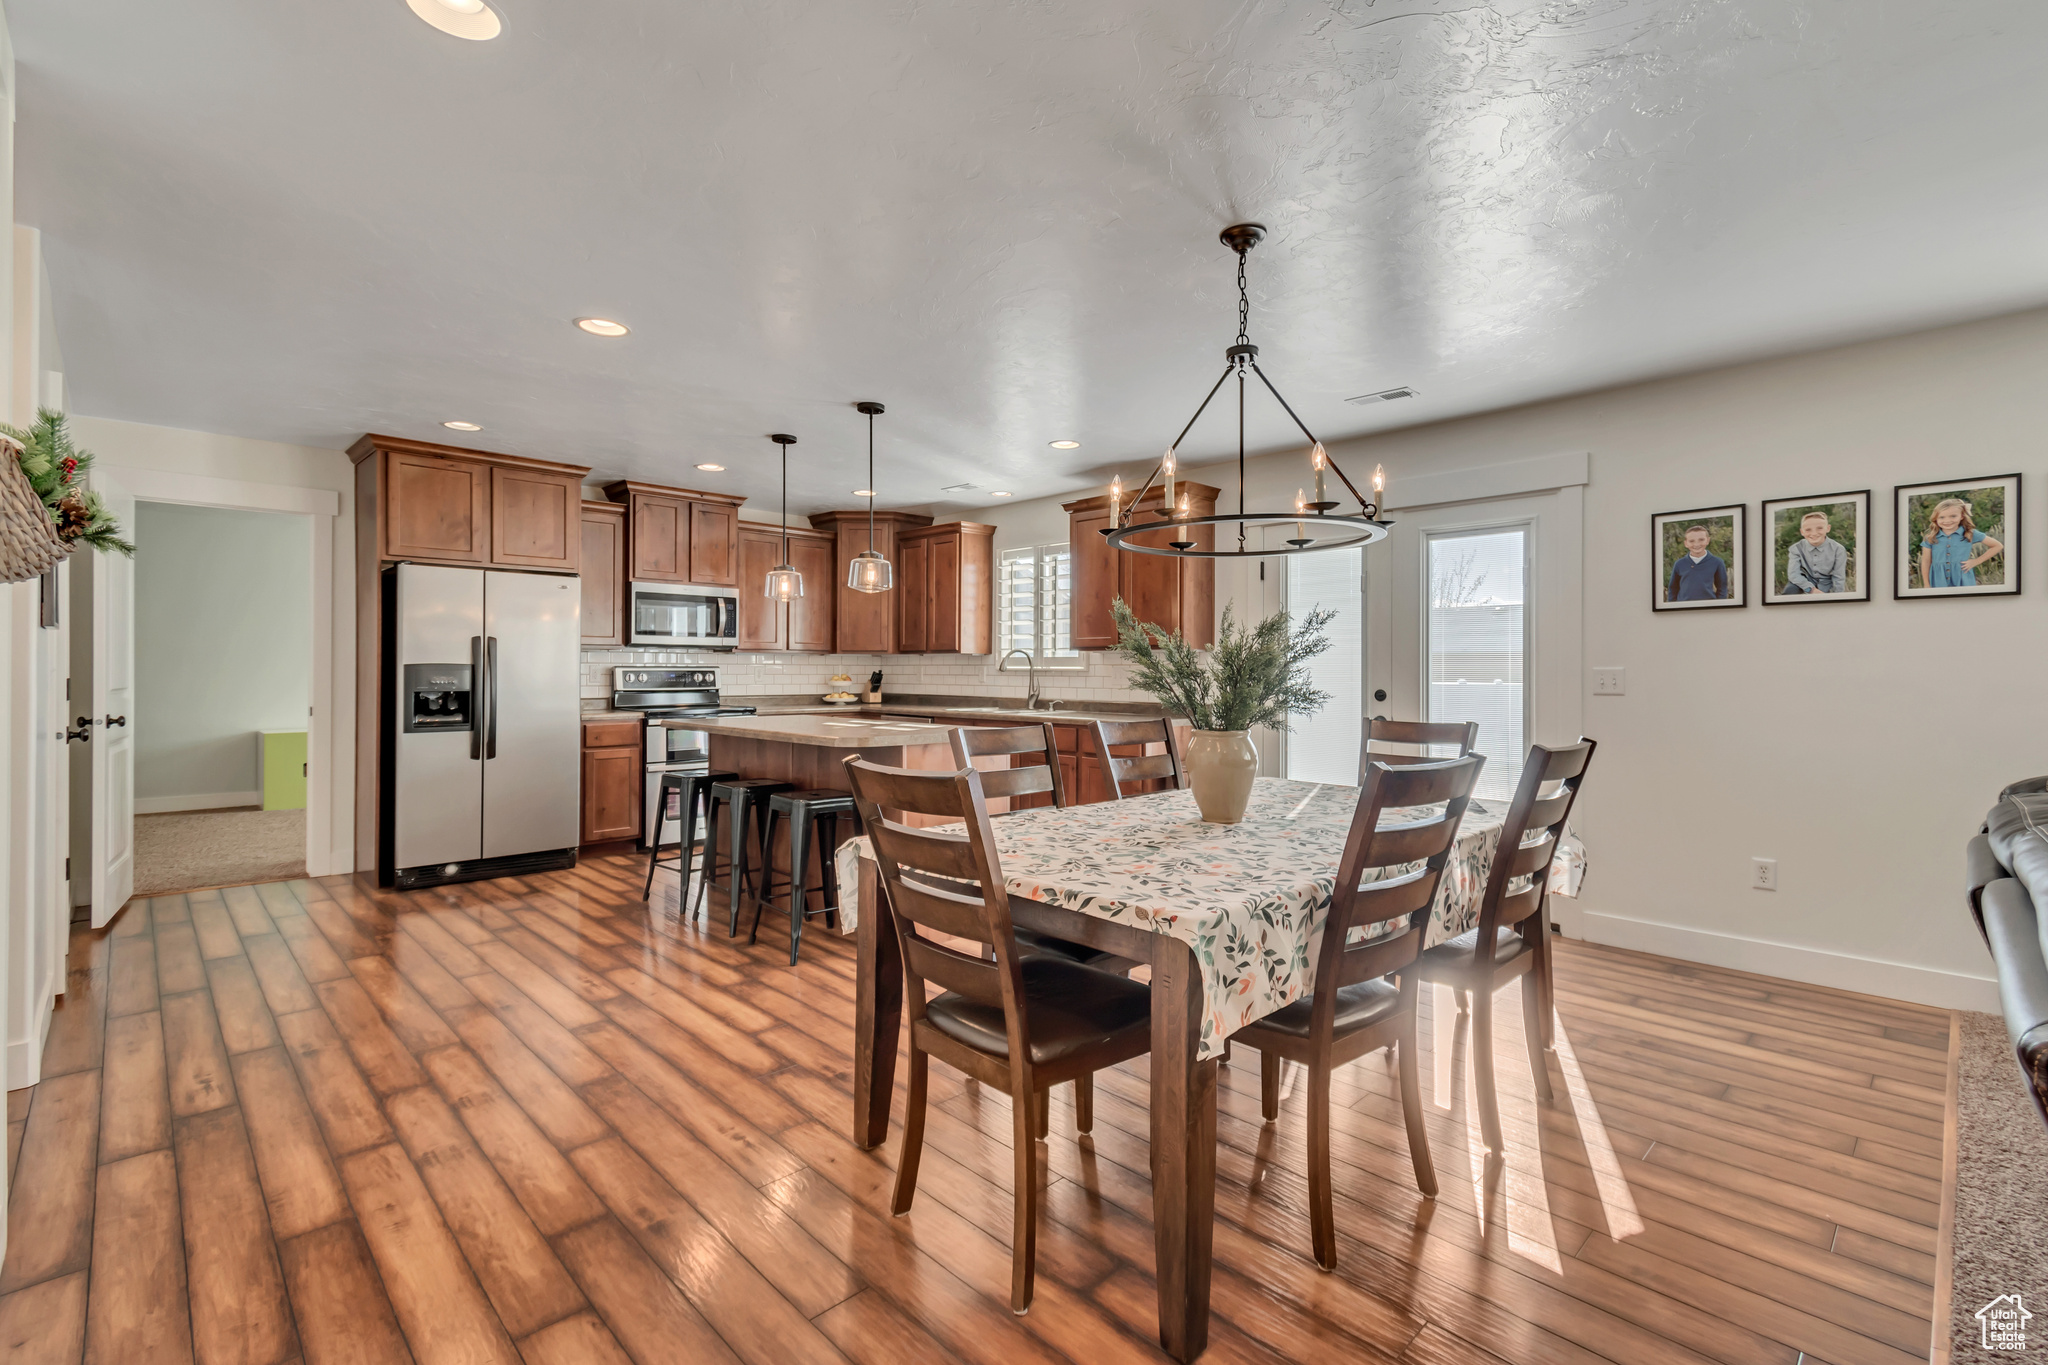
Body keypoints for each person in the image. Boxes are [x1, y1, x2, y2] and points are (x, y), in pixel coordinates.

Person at [1918, 497, 2002, 589]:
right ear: (1935, 518)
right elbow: (1926, 562)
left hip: (1963, 579)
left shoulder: (1970, 533)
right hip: (1938, 581)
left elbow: (1997, 546)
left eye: (1953, 516)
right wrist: (1926, 584)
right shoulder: (1930, 538)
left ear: (1962, 516)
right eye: (1942, 517)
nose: (1947, 521)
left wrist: (1976, 561)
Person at [1782, 510, 1848, 594]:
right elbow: (1793, 574)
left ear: (1828, 528)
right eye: (1808, 530)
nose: (1814, 533)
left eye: (1819, 528)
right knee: (1789, 590)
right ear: (1802, 532)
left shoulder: (1838, 549)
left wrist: (1836, 597)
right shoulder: (1796, 548)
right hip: (1803, 585)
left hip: (1827, 585)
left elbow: (1839, 577)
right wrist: (1811, 590)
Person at [1666, 524, 1729, 601]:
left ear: (1708, 540)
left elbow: (1722, 588)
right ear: (1686, 543)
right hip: (1683, 608)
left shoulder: (1717, 562)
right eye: (1691, 541)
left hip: (1708, 607)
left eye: (1701, 539)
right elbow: (1673, 589)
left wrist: (1719, 607)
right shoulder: (1679, 564)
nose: (1696, 544)